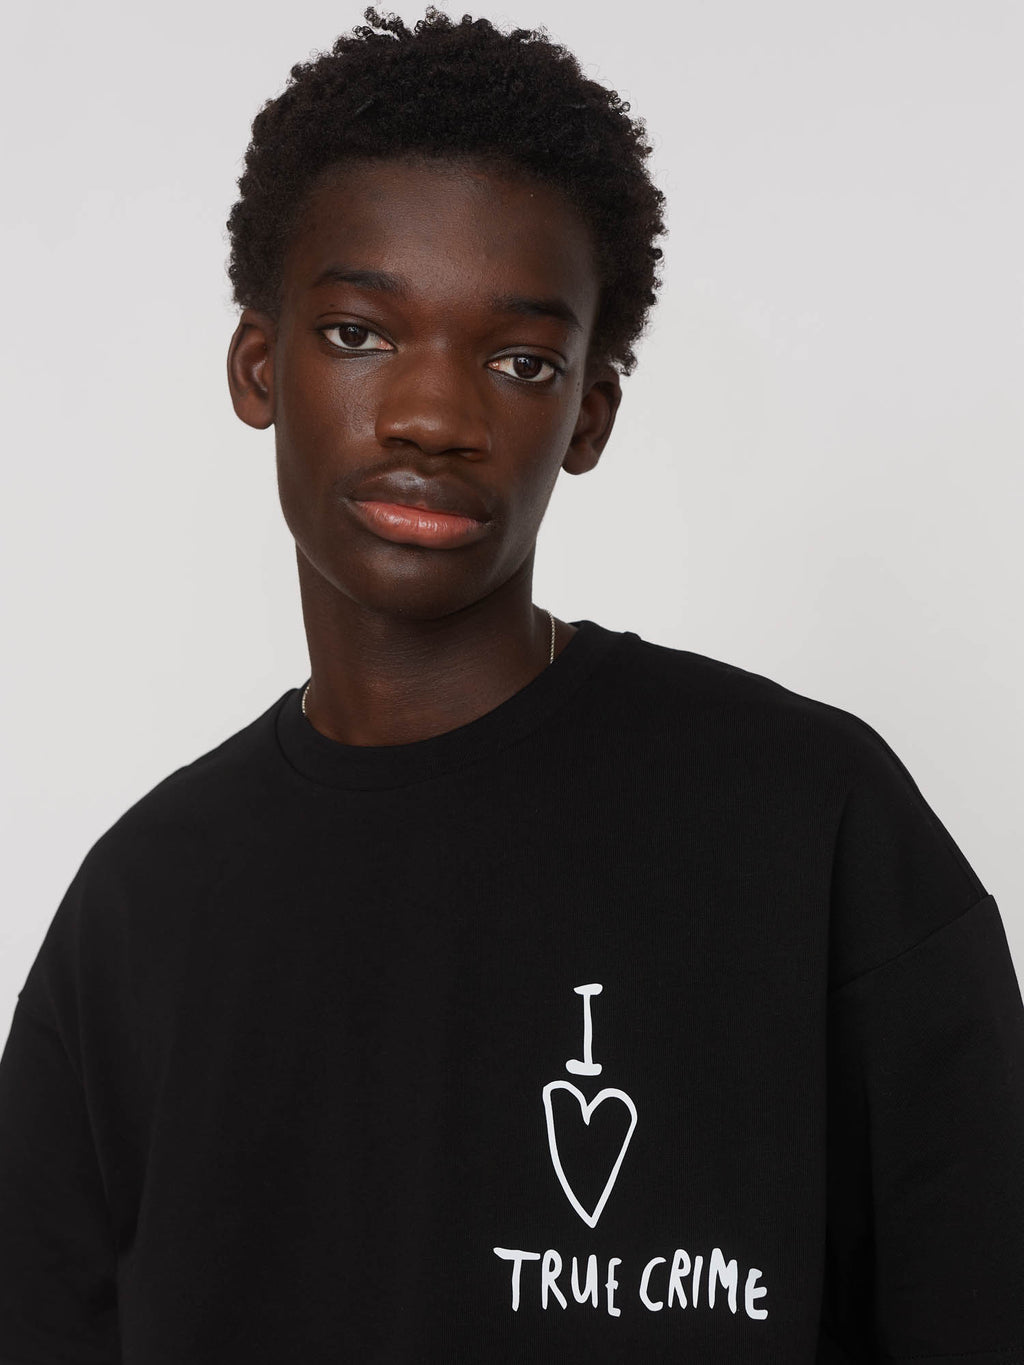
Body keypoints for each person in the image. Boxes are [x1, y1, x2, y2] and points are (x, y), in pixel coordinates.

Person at [1, 8, 1022, 1362]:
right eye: (360, 332)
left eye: (520, 360)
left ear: (588, 414)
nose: (434, 415)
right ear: (260, 367)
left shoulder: (808, 824)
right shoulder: (141, 911)